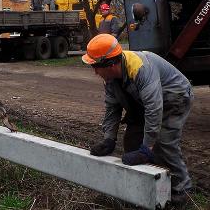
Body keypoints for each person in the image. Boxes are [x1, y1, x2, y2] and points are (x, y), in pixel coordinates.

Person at [83, 34, 194, 205]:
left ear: (111, 64)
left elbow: (154, 108)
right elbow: (112, 109)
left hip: (174, 97)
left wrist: (147, 147)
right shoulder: (110, 79)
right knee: (132, 143)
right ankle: (145, 186)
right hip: (143, 102)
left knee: (164, 143)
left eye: (96, 67)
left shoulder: (141, 68)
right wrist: (109, 139)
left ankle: (182, 189)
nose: (95, 72)